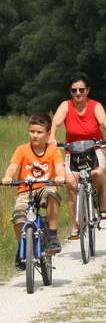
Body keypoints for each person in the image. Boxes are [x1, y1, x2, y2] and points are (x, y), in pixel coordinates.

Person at [49, 73, 106, 239]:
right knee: (71, 184)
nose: (78, 93)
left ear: (88, 90)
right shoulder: (65, 106)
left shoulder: (95, 106)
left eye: (81, 90)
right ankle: (75, 225)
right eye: (74, 90)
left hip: (94, 149)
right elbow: (56, 123)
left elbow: (104, 122)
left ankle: (102, 201)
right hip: (72, 150)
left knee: (97, 173)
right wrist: (52, 137)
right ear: (70, 91)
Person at [1, 113, 65, 269]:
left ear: (48, 134)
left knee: (52, 194)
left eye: (39, 132)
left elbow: (59, 167)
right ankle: (22, 247)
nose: (35, 135)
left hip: (45, 187)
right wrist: (8, 176)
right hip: (26, 190)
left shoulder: (53, 150)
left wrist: (61, 176)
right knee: (18, 218)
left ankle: (52, 235)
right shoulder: (22, 149)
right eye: (32, 131)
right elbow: (13, 166)